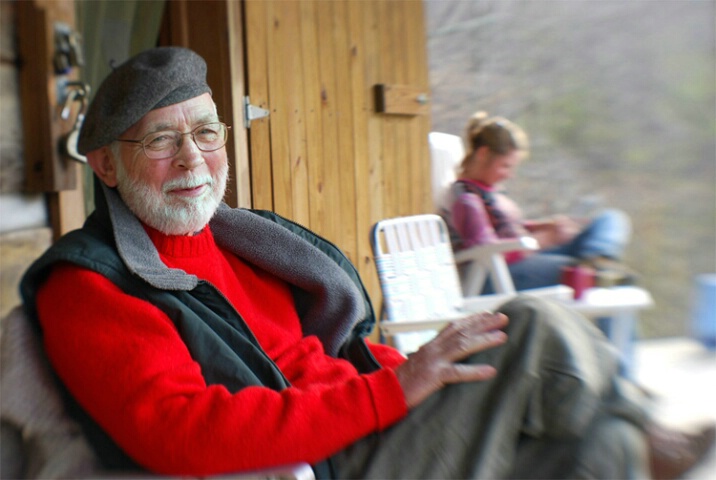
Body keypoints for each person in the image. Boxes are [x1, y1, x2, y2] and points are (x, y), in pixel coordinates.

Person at [19, 47, 714, 479]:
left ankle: (638, 440)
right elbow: (181, 433)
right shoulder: (92, 285)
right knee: (533, 324)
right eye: (162, 142)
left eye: (206, 132)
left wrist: (410, 376)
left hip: (368, 424)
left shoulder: (241, 245)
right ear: (107, 165)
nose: (195, 159)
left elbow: (327, 358)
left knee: (602, 454)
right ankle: (652, 432)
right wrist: (395, 393)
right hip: (329, 459)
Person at [440, 111, 637, 294]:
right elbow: (485, 252)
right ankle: (595, 268)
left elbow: (505, 229)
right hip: (496, 275)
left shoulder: (486, 191)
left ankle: (598, 260)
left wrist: (545, 226)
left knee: (610, 218)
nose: (510, 174)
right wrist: (545, 239)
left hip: (523, 259)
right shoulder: (467, 199)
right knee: (581, 273)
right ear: (483, 153)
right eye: (505, 166)